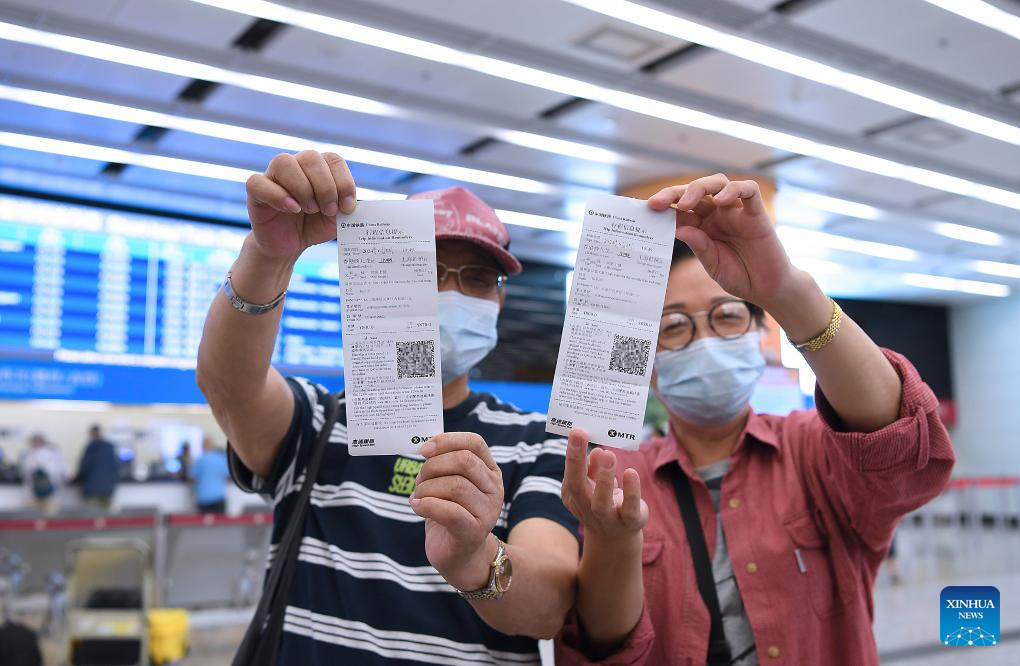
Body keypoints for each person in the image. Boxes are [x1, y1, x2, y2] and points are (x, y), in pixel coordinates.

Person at [196, 150, 578, 664]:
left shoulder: (537, 443)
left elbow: (550, 606)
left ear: (498, 302)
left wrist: (473, 554)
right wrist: (268, 255)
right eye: (428, 270)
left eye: (478, 279)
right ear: (385, 282)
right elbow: (228, 386)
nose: (451, 291)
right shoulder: (320, 422)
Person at [556, 174, 955, 665]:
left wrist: (785, 290)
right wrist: (610, 540)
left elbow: (903, 448)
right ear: (649, 365)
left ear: (757, 336)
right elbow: (601, 645)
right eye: (674, 327)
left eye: (727, 316)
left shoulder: (812, 451)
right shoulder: (614, 478)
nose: (704, 340)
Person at [19, 433, 66, 515]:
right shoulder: (31, 454)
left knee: (44, 517)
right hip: (39, 493)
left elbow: (26, 473)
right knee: (44, 517)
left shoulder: (47, 454)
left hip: (47, 493)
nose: (32, 444)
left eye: (34, 442)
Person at [75, 425, 118, 511]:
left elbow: (84, 468)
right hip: (107, 489)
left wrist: (76, 479)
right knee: (106, 518)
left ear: (92, 434)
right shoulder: (110, 447)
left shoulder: (91, 448)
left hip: (91, 489)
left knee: (91, 517)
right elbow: (116, 467)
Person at [190, 437, 230, 514]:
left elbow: (192, 478)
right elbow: (227, 476)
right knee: (221, 523)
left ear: (202, 446)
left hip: (203, 497)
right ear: (212, 446)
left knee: (204, 524)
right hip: (219, 496)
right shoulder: (221, 459)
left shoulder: (199, 460)